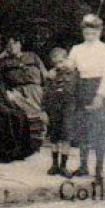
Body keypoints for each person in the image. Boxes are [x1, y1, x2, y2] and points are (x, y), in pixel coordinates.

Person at [66, 14, 105, 182]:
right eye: (86, 32)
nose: (90, 35)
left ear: (100, 31)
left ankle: (99, 169)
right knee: (82, 129)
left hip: (99, 88)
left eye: (93, 32)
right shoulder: (76, 49)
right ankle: (83, 166)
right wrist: (61, 66)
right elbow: (69, 66)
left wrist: (100, 96)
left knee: (99, 130)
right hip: (82, 88)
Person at [0, 35, 48, 145]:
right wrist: (0, 57)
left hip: (35, 88)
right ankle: (32, 137)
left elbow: (44, 74)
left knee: (37, 109)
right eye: (9, 44)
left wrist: (46, 89)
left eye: (15, 43)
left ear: (20, 44)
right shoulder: (3, 61)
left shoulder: (32, 56)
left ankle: (40, 134)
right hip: (17, 90)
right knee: (20, 107)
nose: (12, 46)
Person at [42, 47, 76, 177]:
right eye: (56, 63)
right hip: (54, 109)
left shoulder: (74, 74)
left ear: (67, 60)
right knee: (54, 137)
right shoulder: (51, 76)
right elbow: (45, 94)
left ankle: (63, 166)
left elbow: (78, 92)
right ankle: (54, 165)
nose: (59, 65)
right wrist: (43, 110)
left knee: (66, 137)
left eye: (62, 61)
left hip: (68, 109)